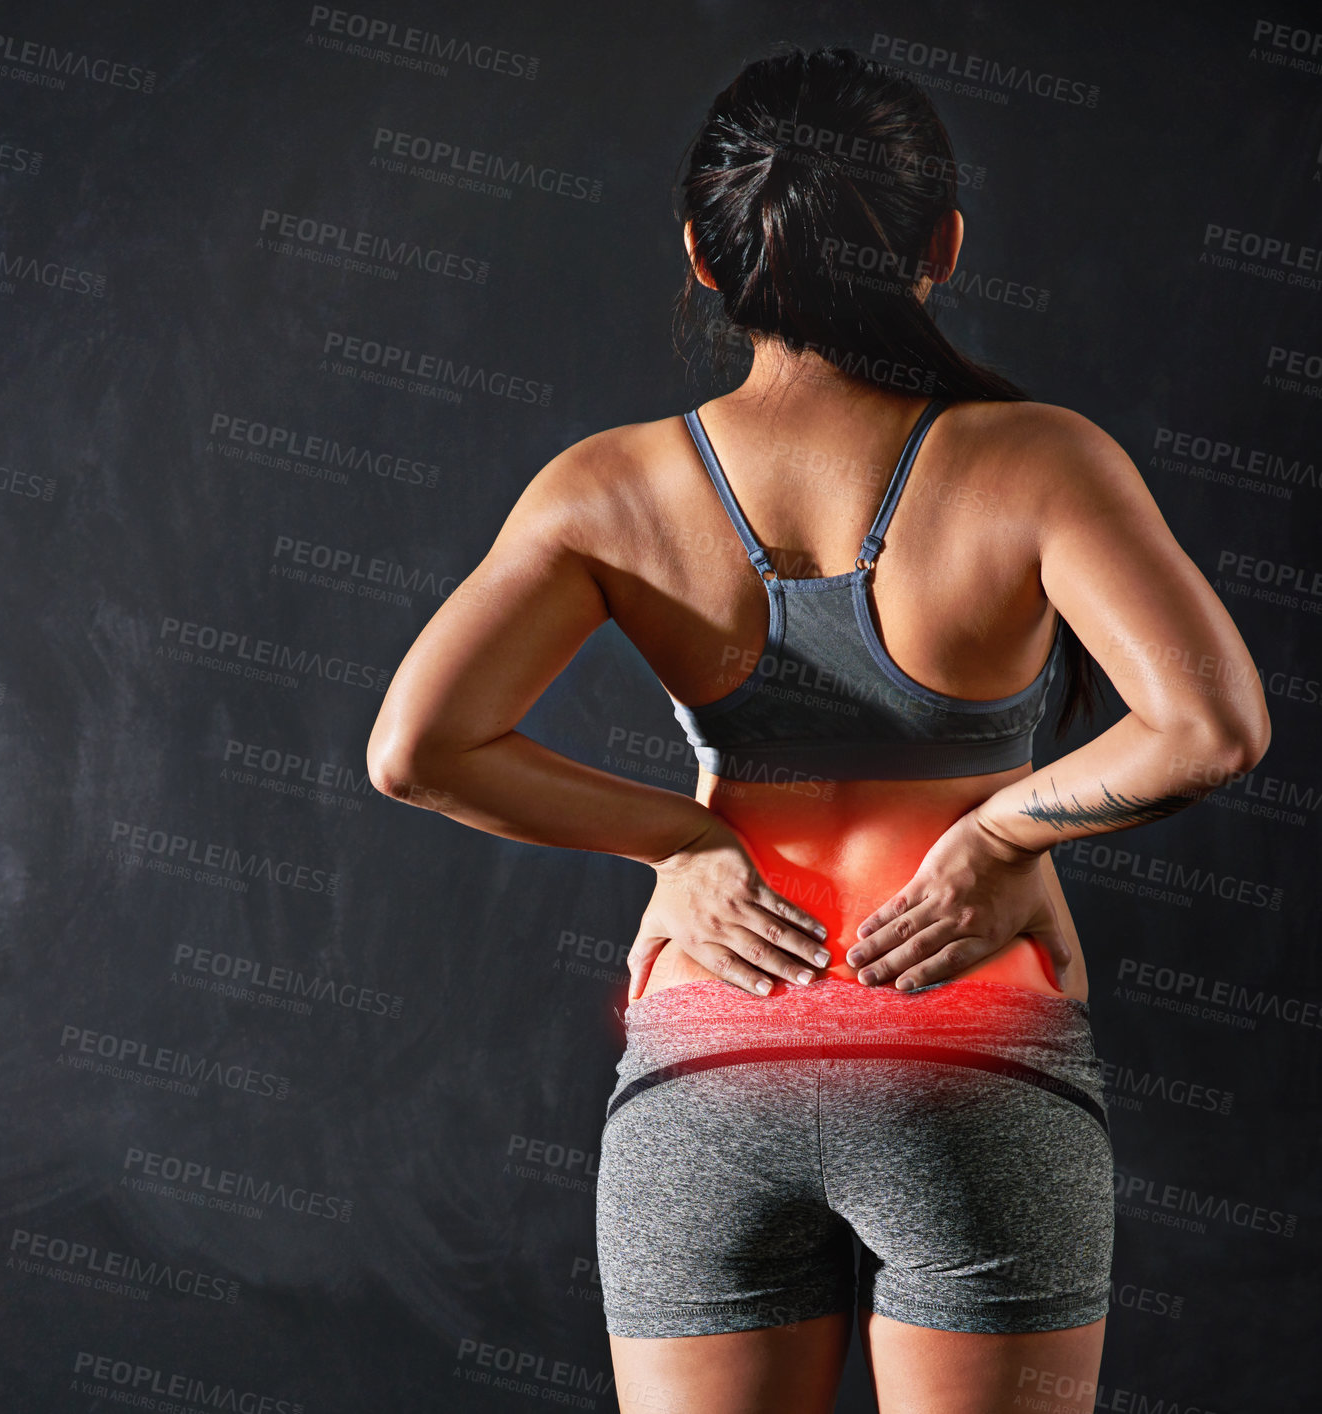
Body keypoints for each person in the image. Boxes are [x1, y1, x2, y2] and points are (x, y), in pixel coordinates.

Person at [367, 45, 1270, 1414]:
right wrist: (993, 838)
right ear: (942, 246)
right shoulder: (1037, 460)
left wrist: (678, 841)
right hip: (968, 1059)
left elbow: (414, 750)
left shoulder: (606, 488)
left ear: (700, 254)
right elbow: (1210, 725)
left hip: (710, 1065)